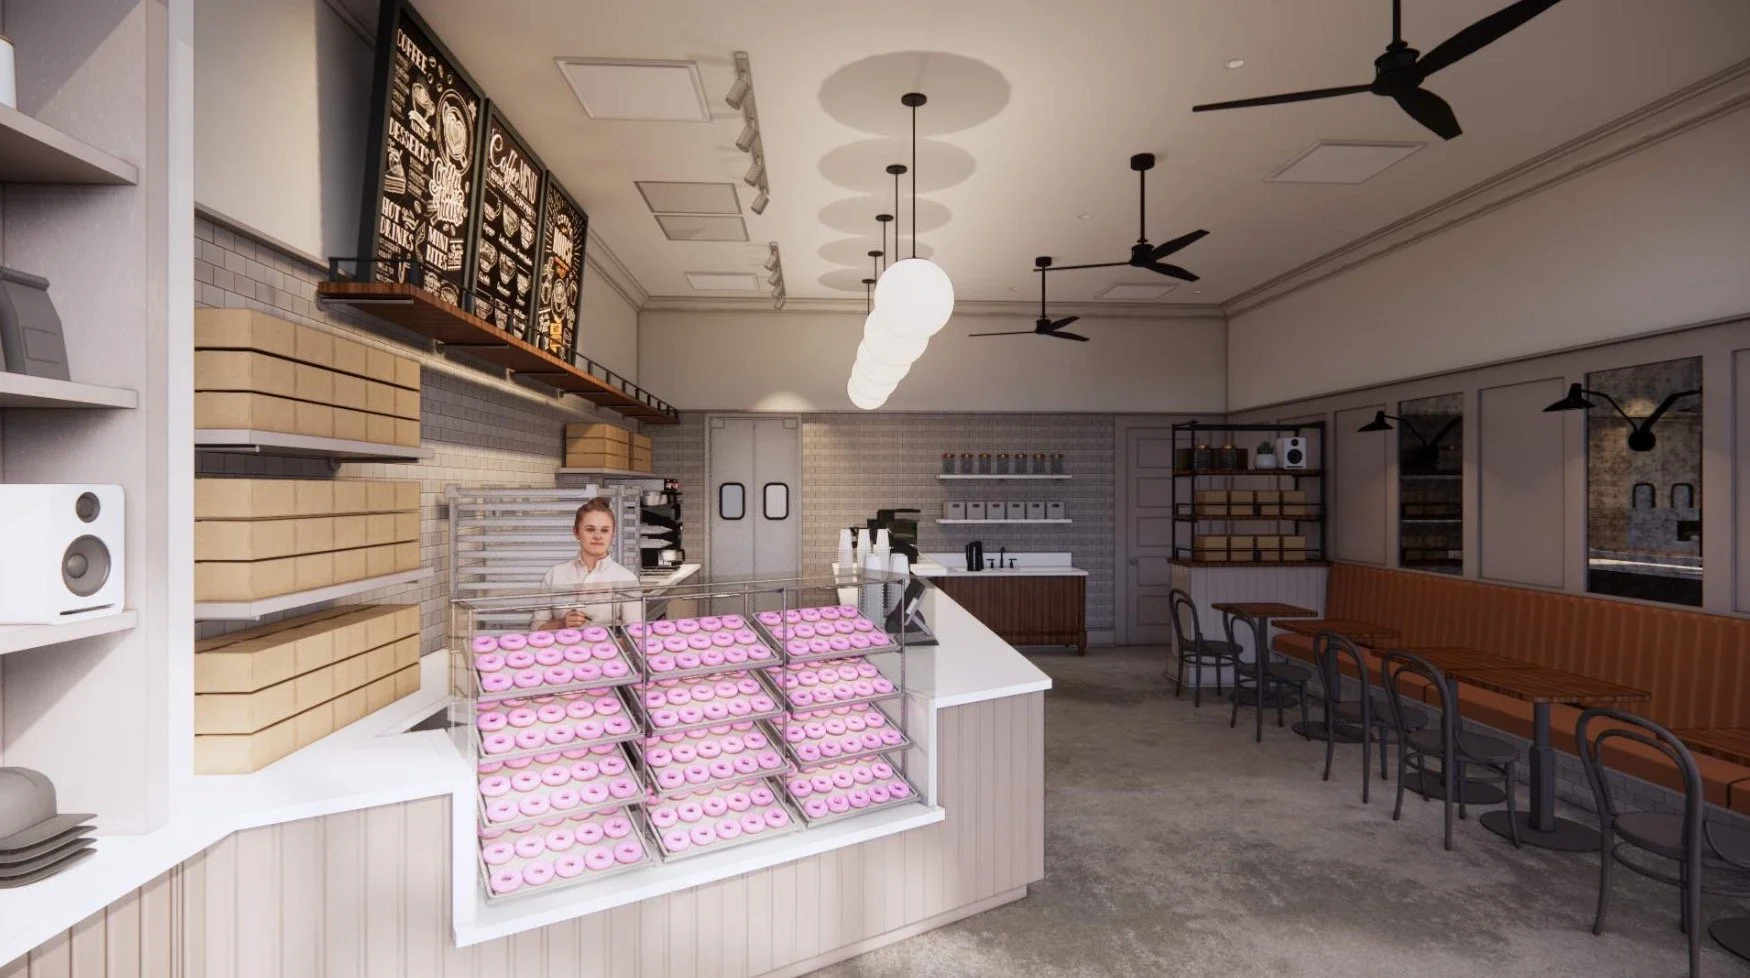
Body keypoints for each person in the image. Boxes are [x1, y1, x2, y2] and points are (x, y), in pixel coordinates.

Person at [533, 497, 643, 630]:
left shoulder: (626, 579)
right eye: (590, 529)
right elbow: (536, 628)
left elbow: (636, 633)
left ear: (612, 534)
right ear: (576, 533)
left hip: (608, 649)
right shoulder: (555, 575)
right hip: (561, 650)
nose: (598, 536)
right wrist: (561, 624)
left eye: (605, 530)